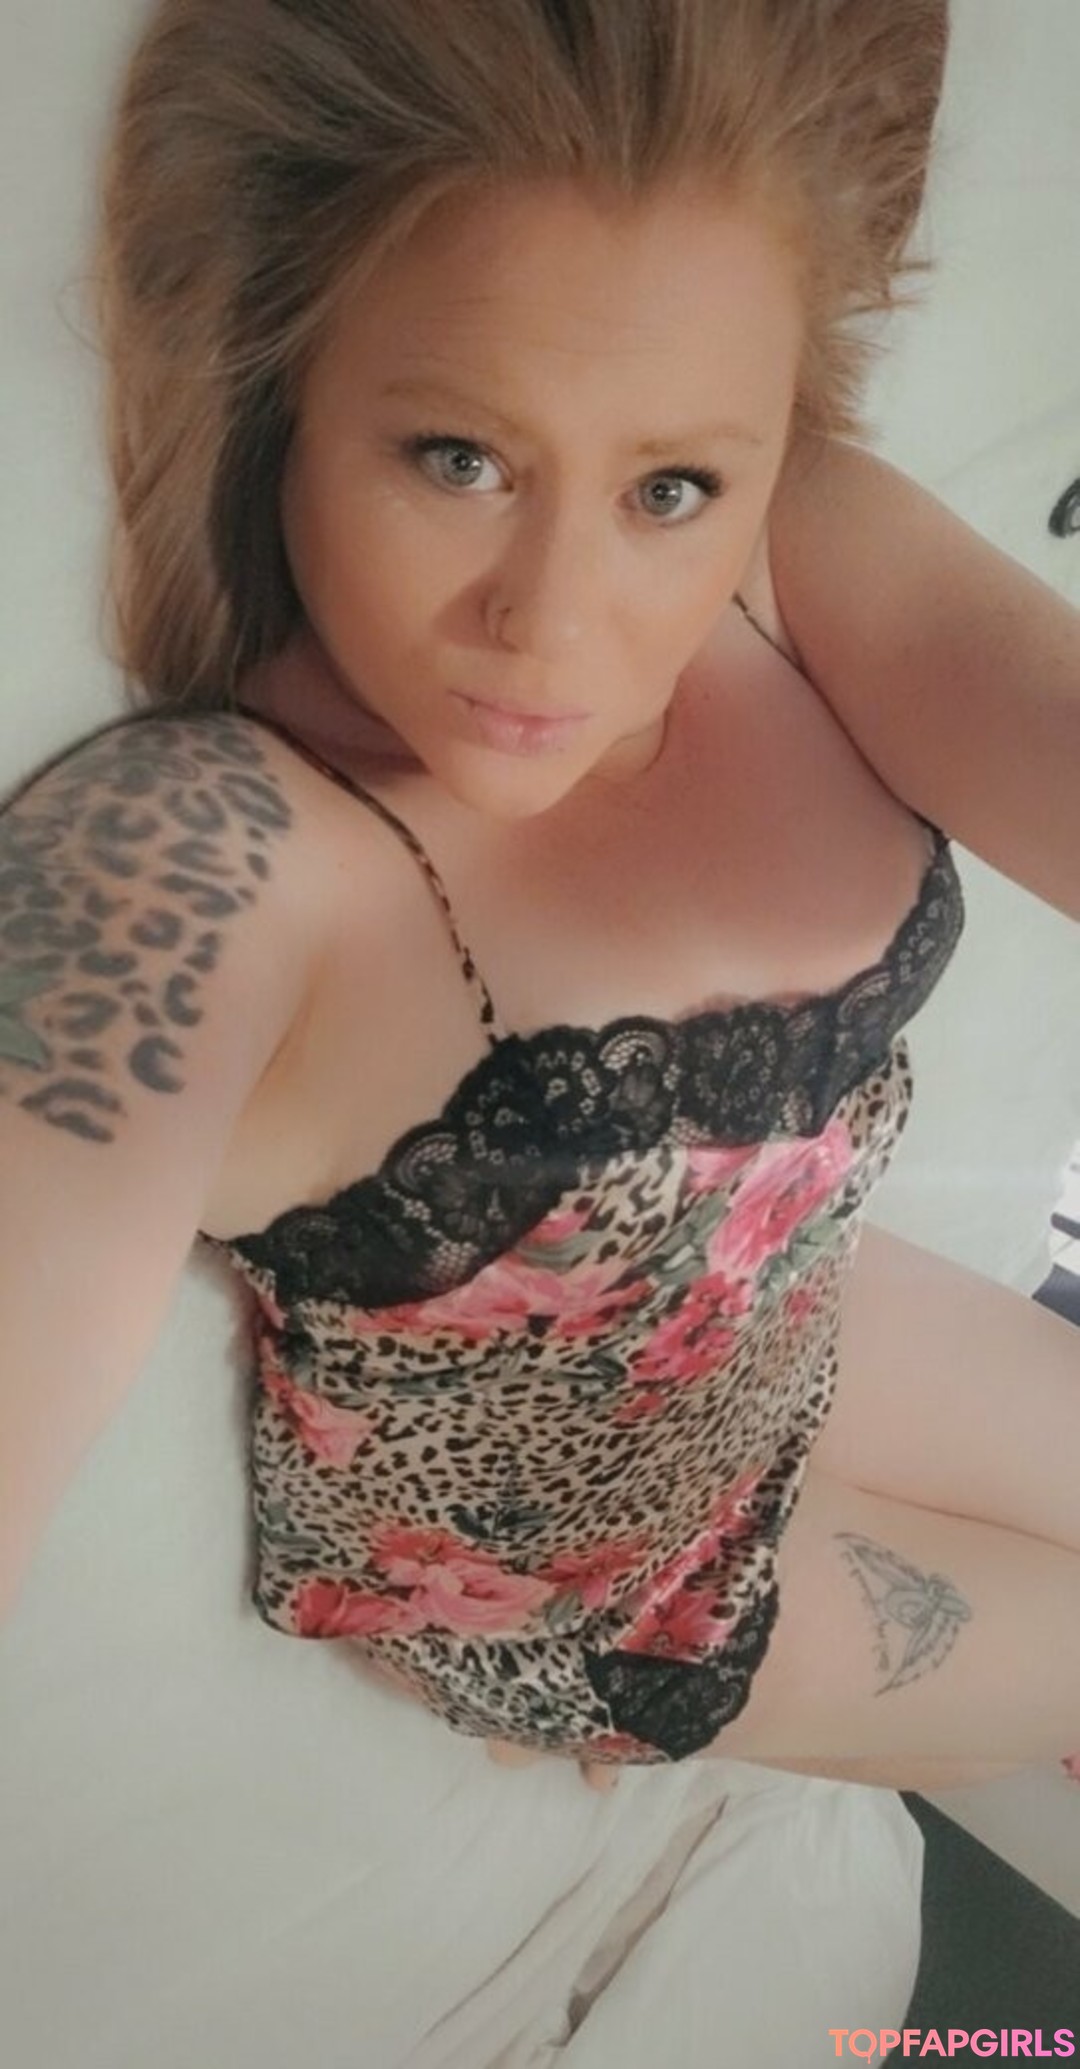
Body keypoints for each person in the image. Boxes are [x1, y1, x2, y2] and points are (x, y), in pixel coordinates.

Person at [2, 0, 1078, 1804]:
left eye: (668, 486)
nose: (557, 622)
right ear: (286, 383)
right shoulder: (198, 866)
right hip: (607, 1583)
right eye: (460, 459)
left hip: (793, 1297)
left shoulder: (782, 552)